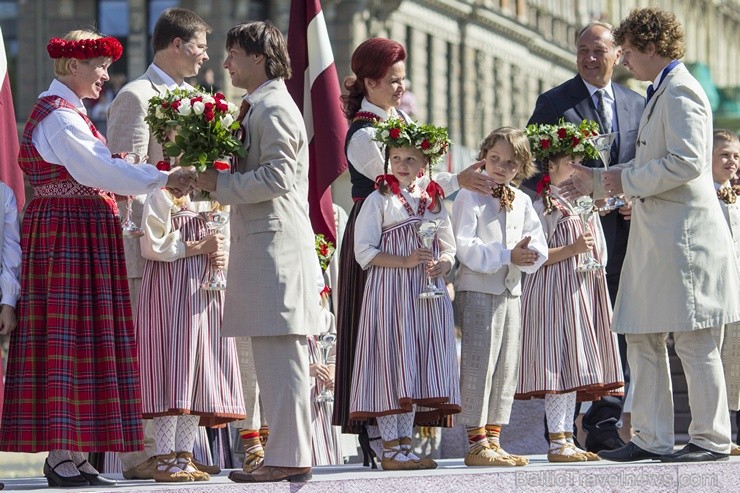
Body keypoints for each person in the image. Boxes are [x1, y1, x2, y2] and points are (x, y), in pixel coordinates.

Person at [0, 30, 195, 487]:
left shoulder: (71, 114)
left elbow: (99, 168)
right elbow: (100, 170)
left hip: (79, 234)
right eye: (99, 66)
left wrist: (147, 175)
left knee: (85, 339)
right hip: (68, 236)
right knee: (68, 339)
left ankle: (75, 454)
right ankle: (61, 456)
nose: (105, 76)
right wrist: (162, 176)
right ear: (72, 67)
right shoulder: (60, 117)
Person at [561, 7, 740, 463]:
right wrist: (598, 179)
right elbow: (650, 165)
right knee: (641, 335)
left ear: (651, 48)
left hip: (684, 242)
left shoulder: (682, 92)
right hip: (659, 242)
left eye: (629, 52)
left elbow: (686, 162)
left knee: (695, 341)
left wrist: (621, 182)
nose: (624, 61)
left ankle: (712, 439)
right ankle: (649, 436)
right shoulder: (661, 90)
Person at [332, 38, 496, 467]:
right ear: (370, 81)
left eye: (403, 80)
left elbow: (420, 182)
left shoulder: (395, 120)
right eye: (393, 80)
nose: (401, 87)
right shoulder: (366, 133)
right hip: (384, 240)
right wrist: (456, 178)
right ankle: (380, 436)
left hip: (416, 243)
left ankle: (403, 439)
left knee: (409, 341)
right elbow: (398, 178)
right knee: (380, 338)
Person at [196, 21, 320, 483]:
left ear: (258, 57)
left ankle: (288, 456)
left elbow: (278, 178)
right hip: (264, 246)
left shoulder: (273, 108)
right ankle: (284, 452)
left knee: (281, 356)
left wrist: (219, 184)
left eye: (233, 53)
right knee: (274, 356)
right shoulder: (260, 106)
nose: (226, 63)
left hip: (275, 249)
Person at [105, 7, 217, 480]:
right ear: (175, 45)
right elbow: (122, 171)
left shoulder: (198, 97)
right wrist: (144, 245)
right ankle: (139, 453)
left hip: (194, 245)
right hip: (148, 247)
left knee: (184, 351)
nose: (206, 57)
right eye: (199, 47)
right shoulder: (136, 95)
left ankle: (178, 450)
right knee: (143, 352)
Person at [527, 21, 644, 450]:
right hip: (573, 236)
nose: (590, 58)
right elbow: (533, 169)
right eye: (582, 50)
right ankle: (559, 425)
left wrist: (634, 196)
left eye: (599, 51)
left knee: (617, 323)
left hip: (626, 234)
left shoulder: (637, 103)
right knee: (572, 329)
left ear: (617, 55)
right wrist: (558, 205)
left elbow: (642, 165)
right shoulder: (555, 102)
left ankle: (605, 420)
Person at [350, 118, 460, 471]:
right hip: (390, 291)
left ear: (425, 164)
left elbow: (449, 247)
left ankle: (405, 445)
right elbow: (364, 251)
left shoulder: (433, 200)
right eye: (396, 158)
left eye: (410, 159)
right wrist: (405, 260)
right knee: (391, 361)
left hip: (425, 294)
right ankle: (390, 447)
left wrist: (443, 265)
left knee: (414, 362)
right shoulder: (378, 198)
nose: (402, 166)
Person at [517, 120, 624, 463]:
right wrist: (574, 248)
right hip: (553, 292)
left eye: (581, 162)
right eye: (569, 162)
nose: (577, 169)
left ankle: (568, 436)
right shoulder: (543, 206)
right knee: (558, 364)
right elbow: (534, 256)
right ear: (550, 165)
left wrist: (589, 250)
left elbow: (601, 252)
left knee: (575, 364)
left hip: (582, 289)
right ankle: (557, 439)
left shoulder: (583, 202)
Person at [452, 127, 548, 467]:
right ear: (483, 156)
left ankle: (494, 438)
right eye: (494, 159)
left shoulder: (521, 199)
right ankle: (475, 441)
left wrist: (530, 255)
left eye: (510, 163)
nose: (500, 167)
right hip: (479, 288)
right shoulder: (470, 195)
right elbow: (464, 246)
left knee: (506, 366)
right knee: (480, 362)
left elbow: (537, 239)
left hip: (511, 290)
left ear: (521, 167)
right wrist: (508, 255)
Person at [136, 190, 246, 482]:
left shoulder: (216, 197)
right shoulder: (161, 195)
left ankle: (184, 455)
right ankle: (164, 457)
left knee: (197, 370)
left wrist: (222, 255)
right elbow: (151, 245)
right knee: (168, 367)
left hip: (203, 290)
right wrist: (198, 246)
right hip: (170, 287)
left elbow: (224, 238)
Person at [710, 129, 740, 456]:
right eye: (723, 155)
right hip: (715, 292)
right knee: (713, 360)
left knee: (734, 364)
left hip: (738, 292)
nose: (731, 161)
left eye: (735, 156)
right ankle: (715, 429)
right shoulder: (703, 197)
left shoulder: (737, 196)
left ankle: (729, 430)